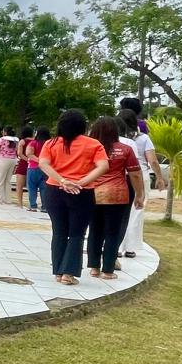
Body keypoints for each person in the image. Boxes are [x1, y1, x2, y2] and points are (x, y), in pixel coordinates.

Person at [39, 109, 109, 285]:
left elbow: (43, 163)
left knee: (59, 231)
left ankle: (58, 271)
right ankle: (68, 274)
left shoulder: (51, 144)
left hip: (54, 190)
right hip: (82, 192)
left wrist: (62, 180)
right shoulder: (93, 144)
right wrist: (81, 182)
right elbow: (103, 166)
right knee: (77, 233)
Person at [86, 115, 145, 280]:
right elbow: (135, 174)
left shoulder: (90, 148)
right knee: (113, 233)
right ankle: (108, 270)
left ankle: (94, 268)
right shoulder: (125, 149)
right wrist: (140, 195)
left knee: (95, 231)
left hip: (93, 193)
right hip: (117, 195)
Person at [118, 108, 165, 259]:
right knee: (136, 212)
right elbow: (152, 160)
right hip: (140, 175)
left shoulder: (116, 139)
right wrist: (159, 177)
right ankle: (130, 248)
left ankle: (117, 246)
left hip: (121, 176)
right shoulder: (143, 138)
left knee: (120, 213)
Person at [24, 127, 51, 212]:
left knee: (32, 187)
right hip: (46, 168)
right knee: (44, 188)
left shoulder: (33, 143)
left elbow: (28, 153)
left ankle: (33, 206)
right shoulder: (49, 144)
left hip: (33, 167)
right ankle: (44, 207)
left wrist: (39, 160)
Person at [0, 127, 19, 204]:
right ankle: (8, 200)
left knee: (0, 180)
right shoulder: (16, 140)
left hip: (3, 159)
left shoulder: (2, 139)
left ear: (5, 132)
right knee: (7, 181)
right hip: (13, 160)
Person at [15, 126, 35, 208]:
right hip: (33, 164)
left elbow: (19, 153)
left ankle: (20, 203)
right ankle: (32, 203)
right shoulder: (35, 141)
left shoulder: (22, 141)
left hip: (23, 164)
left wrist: (27, 159)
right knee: (31, 186)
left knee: (19, 185)